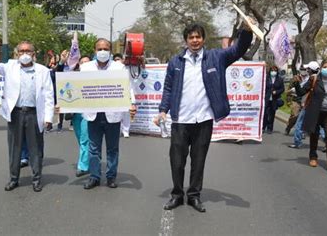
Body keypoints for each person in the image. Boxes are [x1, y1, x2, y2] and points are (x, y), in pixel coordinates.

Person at [155, 20, 254, 212]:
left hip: (203, 120)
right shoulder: (176, 61)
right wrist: (162, 110)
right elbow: (168, 88)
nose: (194, 40)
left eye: (198, 36)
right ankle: (177, 195)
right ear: (185, 40)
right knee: (177, 161)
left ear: (203, 39)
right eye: (191, 37)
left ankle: (193, 196)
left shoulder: (216, 57)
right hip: (180, 120)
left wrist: (246, 31)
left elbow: (238, 50)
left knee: (198, 161)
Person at [0, 31, 54, 192]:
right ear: (17, 53)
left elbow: (49, 95)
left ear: (33, 54)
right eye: (22, 51)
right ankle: (14, 179)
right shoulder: (9, 67)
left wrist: (48, 117)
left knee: (36, 149)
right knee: (15, 147)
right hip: (15, 113)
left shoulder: (43, 71)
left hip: (34, 114)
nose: (25, 54)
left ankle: (36, 179)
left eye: (28, 51)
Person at [79, 38, 137, 190]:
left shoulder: (119, 68)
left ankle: (111, 176)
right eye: (99, 49)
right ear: (94, 50)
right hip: (93, 114)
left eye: (106, 49)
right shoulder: (85, 68)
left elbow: (128, 87)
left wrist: (131, 103)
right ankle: (94, 177)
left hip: (113, 113)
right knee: (93, 148)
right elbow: (78, 88)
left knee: (112, 148)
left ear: (110, 51)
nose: (102, 52)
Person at [294, 60, 327, 172]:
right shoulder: (314, 79)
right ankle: (313, 157)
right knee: (314, 135)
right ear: (321, 68)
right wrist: (297, 83)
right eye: (325, 67)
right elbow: (301, 92)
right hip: (315, 113)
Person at [288, 61, 325, 148]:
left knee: (299, 124)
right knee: (319, 124)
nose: (306, 70)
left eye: (308, 69)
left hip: (309, 105)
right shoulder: (322, 78)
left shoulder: (312, 79)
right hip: (319, 105)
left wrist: (296, 84)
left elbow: (301, 92)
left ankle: (297, 142)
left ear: (311, 70)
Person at [71, 56, 92, 177]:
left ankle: (83, 166)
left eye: (86, 62)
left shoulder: (95, 78)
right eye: (82, 62)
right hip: (76, 114)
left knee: (85, 140)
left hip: (88, 113)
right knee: (81, 140)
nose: (84, 65)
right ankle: (88, 160)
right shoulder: (73, 77)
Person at [262, 65, 284, 134]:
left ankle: (270, 128)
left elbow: (282, 89)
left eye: (275, 71)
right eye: (272, 70)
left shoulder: (280, 79)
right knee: (265, 113)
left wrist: (276, 92)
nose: (273, 72)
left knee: (272, 114)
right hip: (266, 99)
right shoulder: (266, 78)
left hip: (274, 99)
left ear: (277, 72)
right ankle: (263, 127)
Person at [113, 53, 131, 138]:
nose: (117, 61)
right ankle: (118, 130)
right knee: (117, 112)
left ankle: (126, 130)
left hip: (126, 92)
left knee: (126, 113)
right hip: (115, 93)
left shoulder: (127, 69)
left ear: (122, 60)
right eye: (115, 60)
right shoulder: (112, 70)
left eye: (118, 59)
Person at [285, 69, 304, 135]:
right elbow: (288, 91)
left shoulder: (309, 78)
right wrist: (288, 101)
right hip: (296, 100)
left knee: (303, 117)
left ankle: (301, 132)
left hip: (305, 100)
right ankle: (288, 127)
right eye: (302, 70)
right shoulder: (295, 79)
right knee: (294, 116)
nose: (304, 71)